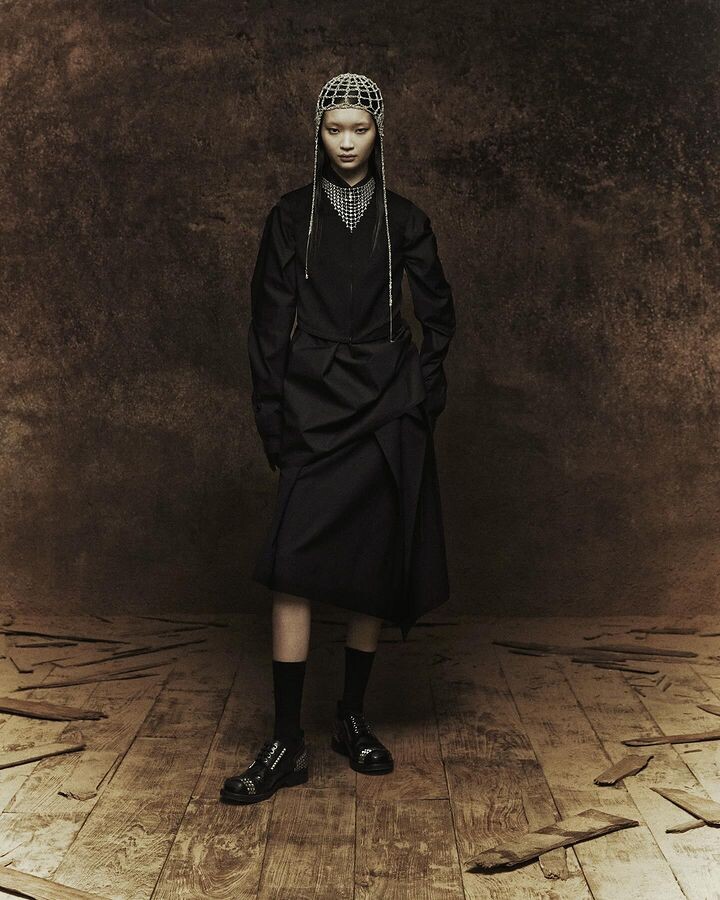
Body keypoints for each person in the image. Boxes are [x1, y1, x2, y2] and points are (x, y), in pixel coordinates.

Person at [220, 73, 456, 805]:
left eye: (360, 128)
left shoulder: (406, 218)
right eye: (334, 129)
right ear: (317, 134)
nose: (347, 142)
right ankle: (285, 739)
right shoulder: (291, 217)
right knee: (292, 567)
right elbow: (267, 326)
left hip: (386, 406)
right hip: (313, 406)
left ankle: (351, 717)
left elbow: (440, 314)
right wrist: (272, 415)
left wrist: (419, 396)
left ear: (379, 132)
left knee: (370, 564)